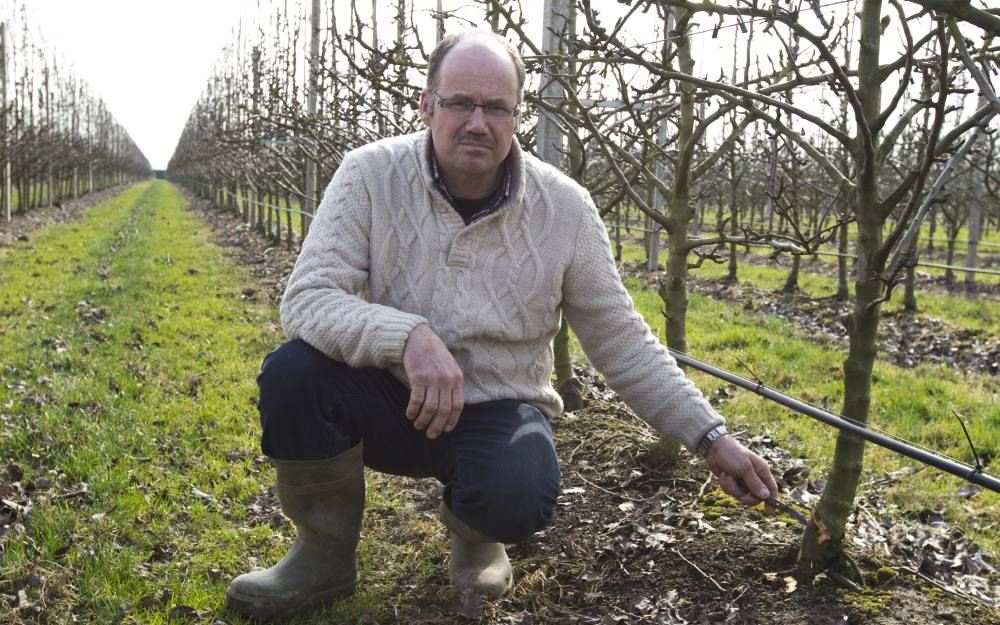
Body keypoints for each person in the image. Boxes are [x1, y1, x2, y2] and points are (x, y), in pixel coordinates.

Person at [226, 30, 779, 621]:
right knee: (294, 373)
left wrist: (709, 437)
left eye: (496, 108)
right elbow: (309, 298)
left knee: (519, 493)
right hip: (388, 397)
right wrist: (407, 336)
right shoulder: (370, 175)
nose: (476, 122)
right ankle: (323, 555)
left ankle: (476, 531)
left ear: (518, 117)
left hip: (495, 408)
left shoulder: (563, 208)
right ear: (426, 105)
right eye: (459, 102)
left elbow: (621, 341)